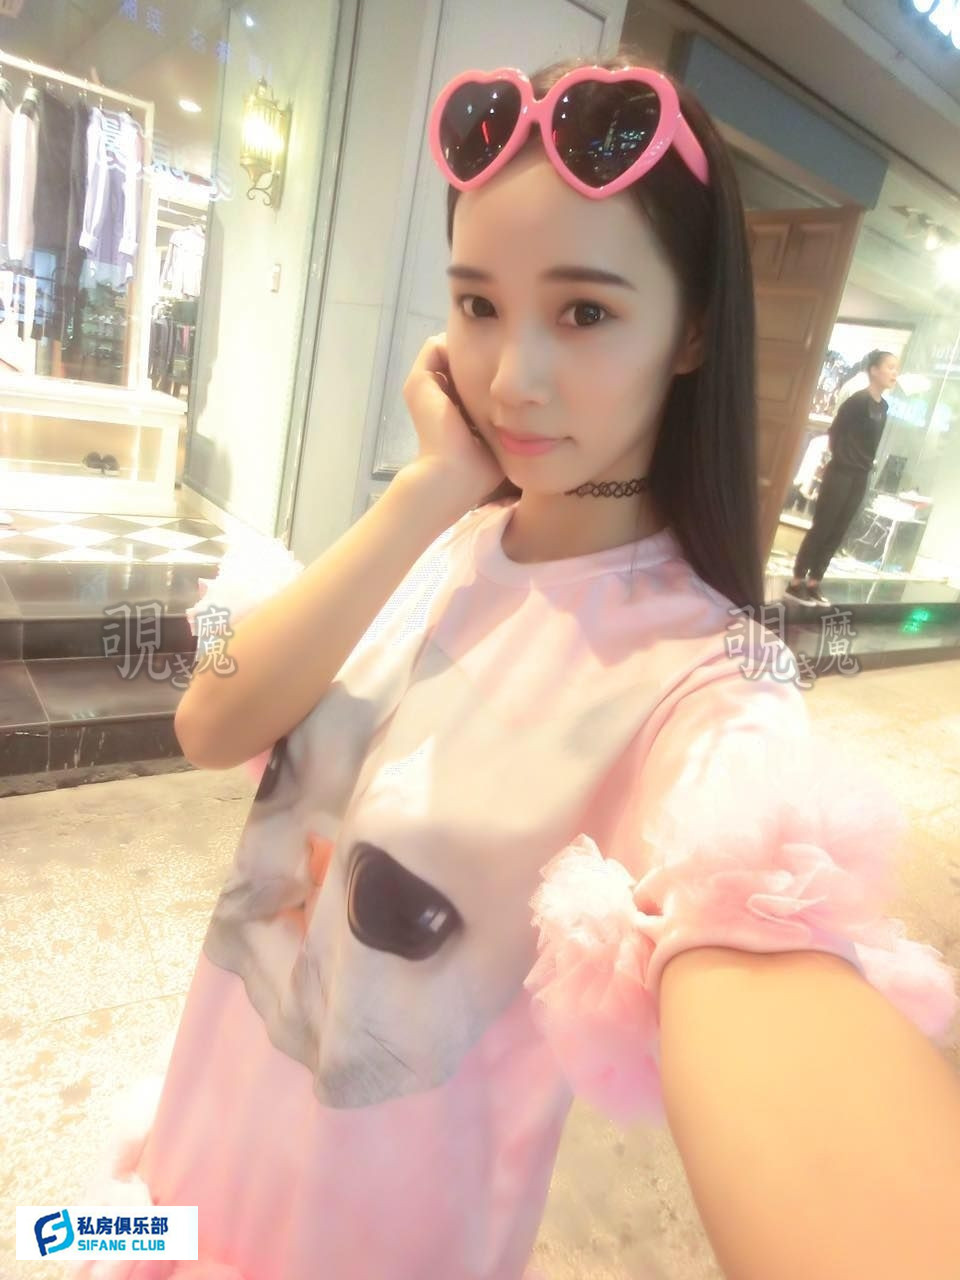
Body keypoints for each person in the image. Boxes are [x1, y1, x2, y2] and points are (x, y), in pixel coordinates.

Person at [71, 54, 960, 1280]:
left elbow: (776, 984)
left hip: (354, 1253)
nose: (511, 378)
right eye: (478, 304)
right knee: (49, 1242)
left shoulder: (703, 682)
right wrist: (433, 486)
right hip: (172, 1185)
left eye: (584, 312)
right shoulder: (441, 541)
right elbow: (208, 716)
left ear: (694, 328)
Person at [785, 349, 900, 606]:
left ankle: (814, 581)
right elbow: (835, 432)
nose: (895, 373)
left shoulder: (883, 407)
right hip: (841, 472)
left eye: (896, 368)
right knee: (823, 526)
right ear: (874, 370)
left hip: (860, 475)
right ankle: (796, 581)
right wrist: (842, 458)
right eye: (890, 367)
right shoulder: (857, 401)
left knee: (839, 529)